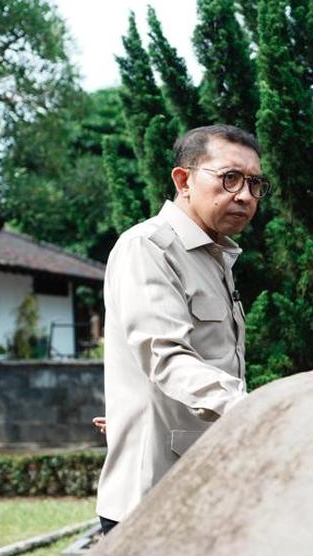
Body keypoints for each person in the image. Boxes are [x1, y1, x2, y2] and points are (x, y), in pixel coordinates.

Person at [96, 124, 267, 534]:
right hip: (153, 498)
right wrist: (257, 410)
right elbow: (166, 358)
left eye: (255, 184)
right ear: (183, 180)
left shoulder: (215, 258)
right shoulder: (149, 248)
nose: (244, 195)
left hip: (202, 484)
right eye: (229, 178)